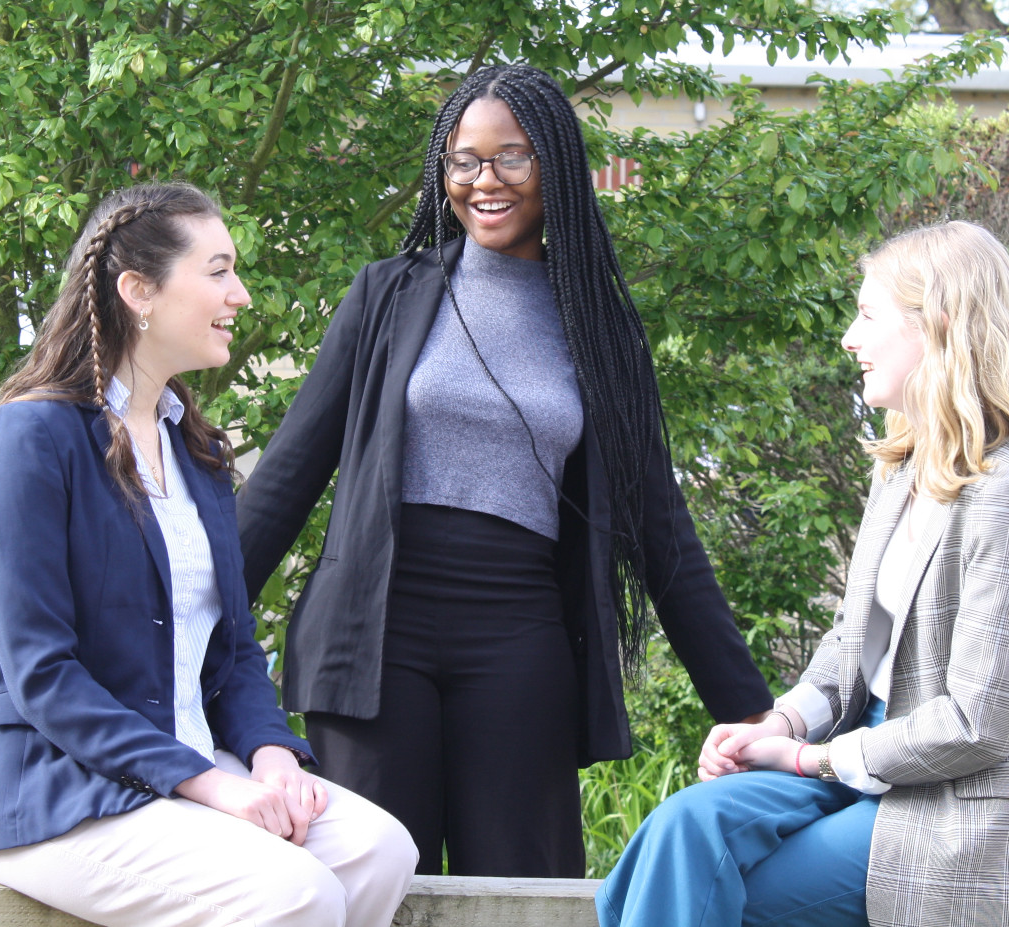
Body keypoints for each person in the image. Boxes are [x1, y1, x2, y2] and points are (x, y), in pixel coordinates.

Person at [236, 64, 773, 879]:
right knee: (373, 885)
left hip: (519, 639)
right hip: (375, 638)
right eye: (463, 160)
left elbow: (663, 532)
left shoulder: (599, 331)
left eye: (511, 157)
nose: (484, 181)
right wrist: (161, 625)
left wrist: (755, 712)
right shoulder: (386, 295)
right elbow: (283, 480)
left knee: (522, 887)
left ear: (555, 165)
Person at [0, 182, 417, 927]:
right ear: (138, 291)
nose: (241, 294)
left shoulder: (199, 450)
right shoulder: (31, 438)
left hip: (186, 765)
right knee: (294, 892)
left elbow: (234, 650)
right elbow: (42, 675)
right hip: (56, 786)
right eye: (218, 271)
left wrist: (271, 754)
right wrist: (211, 784)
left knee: (380, 849)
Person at [596, 220, 1009, 927]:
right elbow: (853, 637)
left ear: (937, 324)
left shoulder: (999, 496)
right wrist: (782, 718)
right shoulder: (902, 467)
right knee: (676, 833)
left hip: (948, 797)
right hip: (858, 750)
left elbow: (977, 724)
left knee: (716, 896)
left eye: (868, 314)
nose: (849, 337)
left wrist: (809, 758)